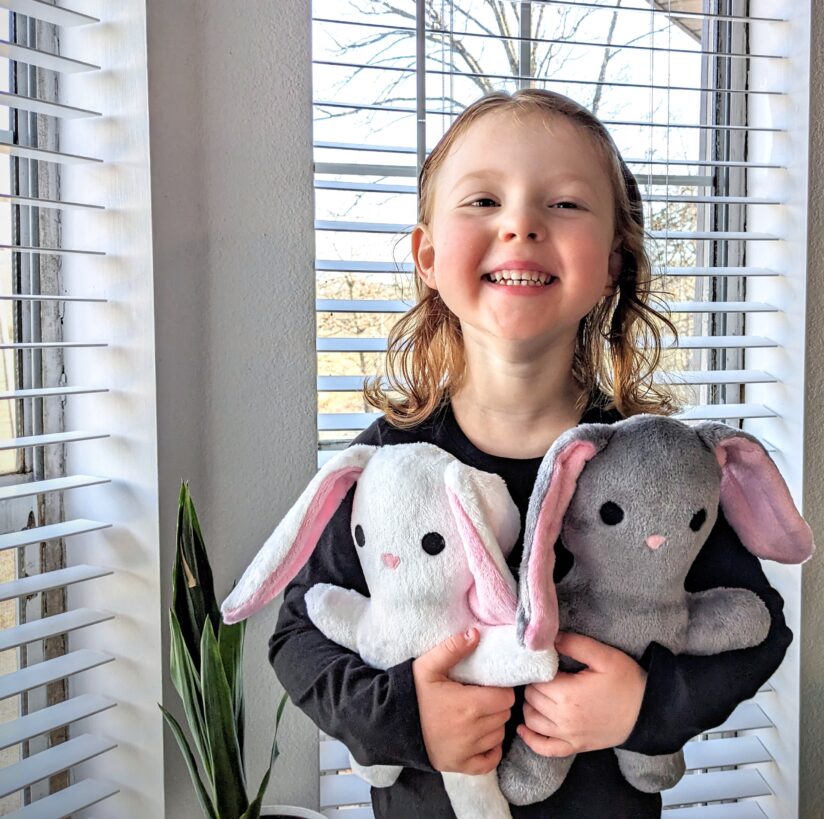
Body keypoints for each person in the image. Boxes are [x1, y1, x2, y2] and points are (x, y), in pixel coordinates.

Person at [269, 88, 792, 818]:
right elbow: (299, 634)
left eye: (566, 204)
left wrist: (644, 707)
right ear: (426, 254)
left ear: (612, 263)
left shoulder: (660, 467)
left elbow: (759, 627)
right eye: (483, 200)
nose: (520, 224)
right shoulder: (386, 467)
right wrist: (406, 716)